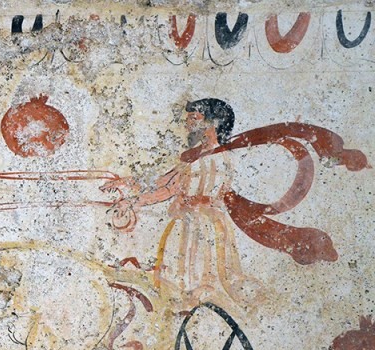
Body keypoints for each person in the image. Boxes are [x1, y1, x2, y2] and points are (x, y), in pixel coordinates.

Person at [104, 98, 368, 303]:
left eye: (194, 118)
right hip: (191, 223)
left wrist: (133, 202)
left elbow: (168, 188)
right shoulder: (197, 157)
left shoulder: (217, 159)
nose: (187, 124)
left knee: (199, 282)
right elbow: (163, 182)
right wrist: (126, 186)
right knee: (183, 283)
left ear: (212, 123)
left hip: (201, 226)